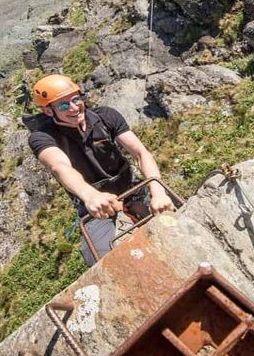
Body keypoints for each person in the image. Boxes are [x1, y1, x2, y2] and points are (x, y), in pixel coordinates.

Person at [26, 74, 175, 266]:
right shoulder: (43, 137)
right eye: (63, 106)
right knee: (98, 257)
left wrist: (158, 192)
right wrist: (90, 196)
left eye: (75, 99)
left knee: (173, 218)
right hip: (94, 202)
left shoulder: (105, 116)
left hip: (130, 188)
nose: (73, 107)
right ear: (48, 111)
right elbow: (59, 166)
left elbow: (140, 153)